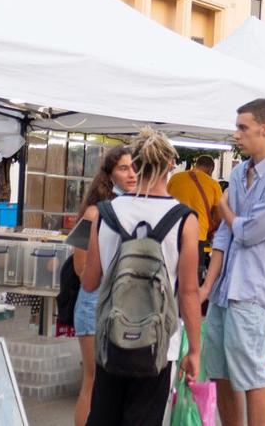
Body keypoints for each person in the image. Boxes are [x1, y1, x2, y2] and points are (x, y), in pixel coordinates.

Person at [81, 128, 201, 426]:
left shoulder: (104, 213)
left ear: (134, 165)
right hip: (158, 346)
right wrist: (195, 350)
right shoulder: (184, 219)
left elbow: (89, 282)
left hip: (112, 339)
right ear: (169, 165)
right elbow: (188, 292)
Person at [200, 99, 265, 426]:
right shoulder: (239, 171)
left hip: (255, 289)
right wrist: (206, 287)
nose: (237, 134)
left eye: (243, 127)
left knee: (251, 372)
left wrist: (223, 206)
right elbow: (225, 237)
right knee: (219, 370)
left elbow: (249, 232)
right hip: (224, 289)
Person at [70, 145, 137, 426]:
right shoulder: (95, 213)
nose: (132, 174)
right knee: (93, 379)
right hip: (94, 305)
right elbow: (80, 267)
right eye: (123, 168)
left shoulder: (133, 208)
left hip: (121, 308)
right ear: (109, 176)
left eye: (135, 167)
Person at [167, 154, 224, 270]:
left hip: (172, 231)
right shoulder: (214, 185)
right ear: (211, 169)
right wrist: (213, 231)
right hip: (198, 234)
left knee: (170, 270)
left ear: (196, 165)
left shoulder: (175, 178)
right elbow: (219, 214)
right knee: (193, 273)